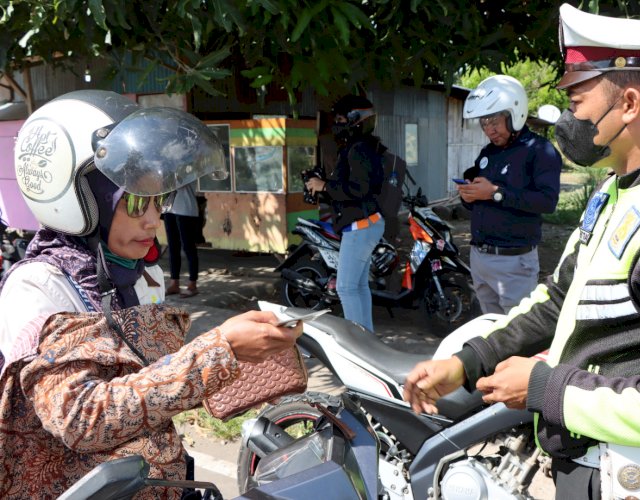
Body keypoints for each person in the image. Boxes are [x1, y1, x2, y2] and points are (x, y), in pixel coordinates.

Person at [404, 4, 640, 499]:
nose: (570, 118)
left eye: (578, 99)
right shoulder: (617, 192)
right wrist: (466, 361)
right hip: (591, 464)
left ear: (629, 103)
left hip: (633, 477)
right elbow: (558, 298)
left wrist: (545, 388)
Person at [0, 90, 302, 498]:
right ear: (81, 200)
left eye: (160, 201)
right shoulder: (40, 287)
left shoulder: (143, 276)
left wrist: (247, 355)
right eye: (137, 202)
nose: (154, 219)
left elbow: (153, 387)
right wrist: (218, 351)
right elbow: (81, 417)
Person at [459, 75, 562, 314]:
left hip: (514, 262)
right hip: (480, 256)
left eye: (494, 121)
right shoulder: (489, 152)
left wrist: (496, 193)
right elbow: (479, 203)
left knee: (515, 335)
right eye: (484, 122)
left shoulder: (539, 151)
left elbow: (547, 202)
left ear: (515, 113)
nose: (489, 129)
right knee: (489, 329)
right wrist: (469, 196)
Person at [305, 95, 386, 332]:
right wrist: (325, 186)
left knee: (346, 288)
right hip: (366, 223)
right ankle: (366, 339)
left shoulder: (358, 149)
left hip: (361, 226)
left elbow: (359, 189)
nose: (337, 125)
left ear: (355, 120)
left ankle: (357, 346)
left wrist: (325, 186)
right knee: (358, 287)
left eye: (340, 119)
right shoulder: (365, 146)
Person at [164, 181, 201, 297]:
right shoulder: (167, 165)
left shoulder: (188, 165)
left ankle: (192, 284)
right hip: (169, 209)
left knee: (188, 247)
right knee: (173, 247)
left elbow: (180, 182)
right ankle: (174, 283)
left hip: (186, 209)